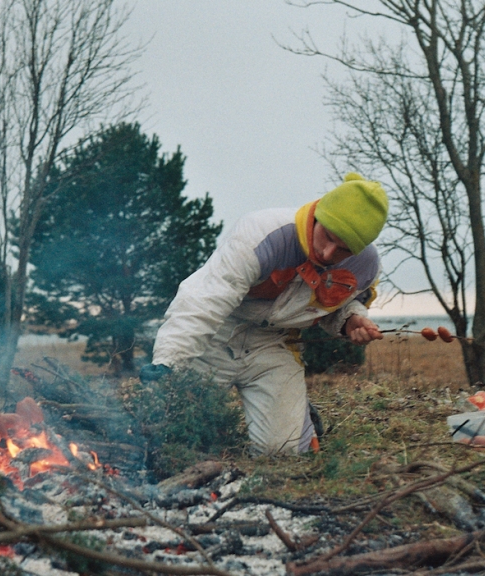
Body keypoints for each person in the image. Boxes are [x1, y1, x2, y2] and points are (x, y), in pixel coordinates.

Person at [139, 173, 388, 455]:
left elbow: (338, 306)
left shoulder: (365, 267)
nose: (329, 253)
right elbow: (205, 301)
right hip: (216, 334)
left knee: (281, 451)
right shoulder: (263, 234)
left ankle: (297, 415)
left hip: (273, 343)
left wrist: (351, 320)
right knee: (178, 438)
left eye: (343, 250)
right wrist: (169, 362)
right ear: (318, 213)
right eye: (328, 237)